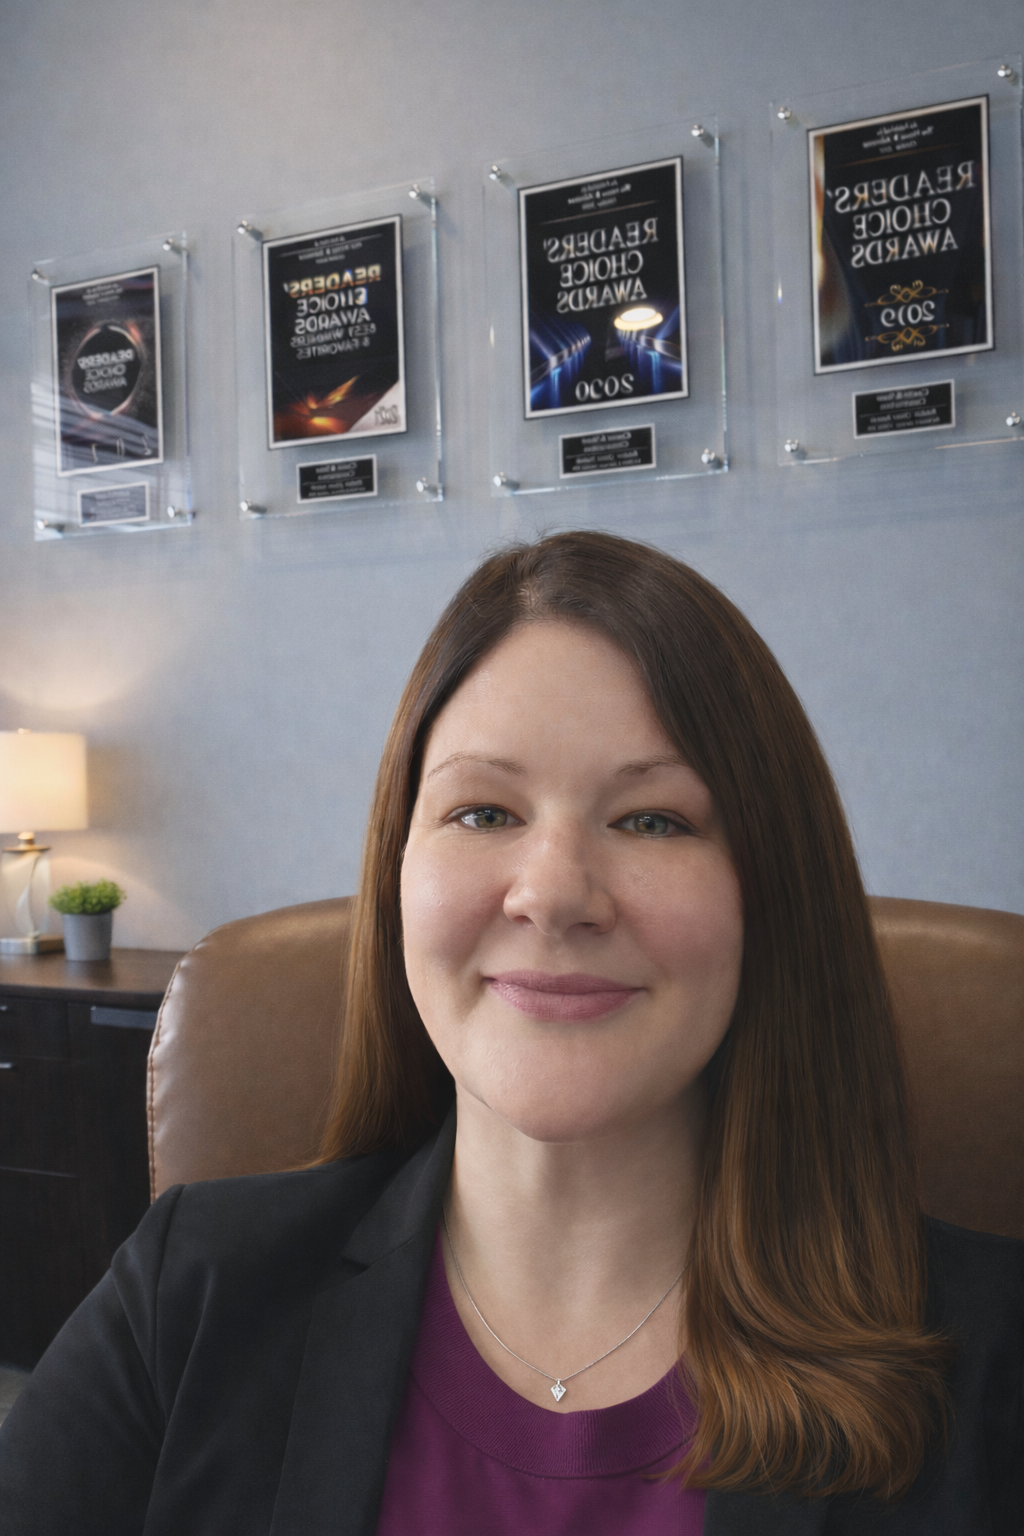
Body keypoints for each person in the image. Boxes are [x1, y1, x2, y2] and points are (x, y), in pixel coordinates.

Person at [0, 531, 1020, 1535]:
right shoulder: (192, 1294)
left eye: (652, 820)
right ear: (398, 872)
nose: (551, 893)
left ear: (773, 894)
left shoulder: (990, 1361)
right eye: (483, 813)